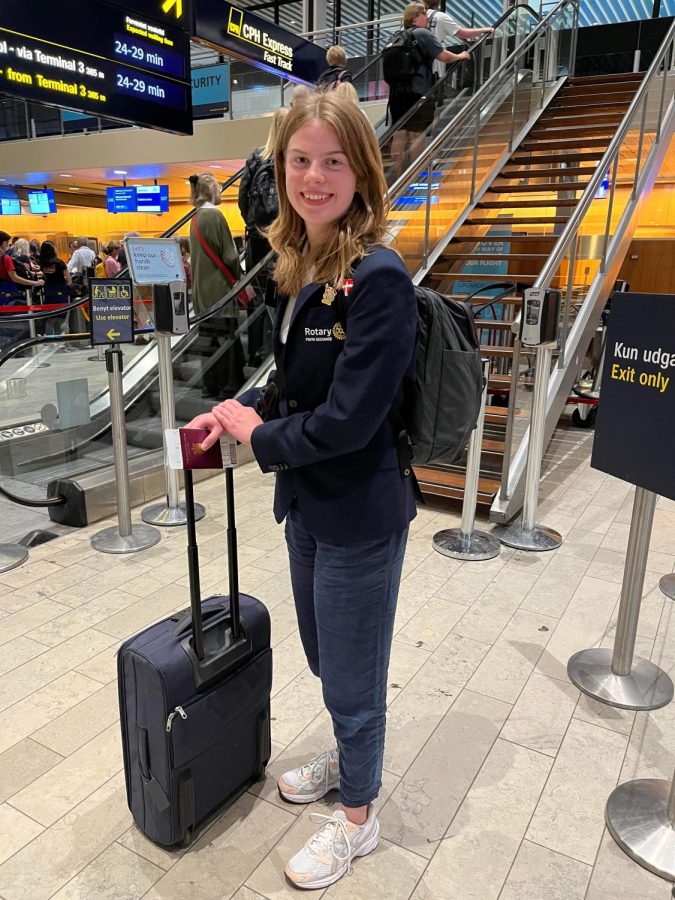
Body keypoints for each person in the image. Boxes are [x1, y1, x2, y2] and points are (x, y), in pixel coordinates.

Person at [188, 91, 418, 889]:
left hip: (359, 509)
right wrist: (241, 411)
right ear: (278, 168)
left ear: (361, 169)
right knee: (327, 660)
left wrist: (261, 439)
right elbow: (295, 391)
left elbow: (349, 422)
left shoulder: (378, 278)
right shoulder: (301, 267)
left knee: (354, 676)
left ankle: (359, 818)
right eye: (299, 160)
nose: (314, 178)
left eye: (332, 161)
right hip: (307, 509)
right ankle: (346, 753)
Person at [389, 3, 470, 167]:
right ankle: (414, 174)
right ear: (415, 17)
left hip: (396, 93)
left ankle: (395, 177)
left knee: (399, 134)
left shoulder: (397, 36)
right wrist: (460, 55)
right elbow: (444, 56)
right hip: (417, 91)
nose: (427, 18)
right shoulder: (422, 34)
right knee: (417, 134)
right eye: (424, 15)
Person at [238, 107, 288, 369]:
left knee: (257, 297)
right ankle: (280, 347)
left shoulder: (256, 156)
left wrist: (255, 226)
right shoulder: (292, 156)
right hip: (286, 239)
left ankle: (255, 353)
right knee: (285, 292)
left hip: (258, 242)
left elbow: (243, 200)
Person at [189, 172, 245, 398]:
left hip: (201, 293)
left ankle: (208, 385)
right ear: (211, 190)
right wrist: (240, 277)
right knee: (226, 341)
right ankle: (227, 385)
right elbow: (230, 256)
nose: (221, 193)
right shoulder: (216, 216)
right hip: (220, 291)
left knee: (208, 341)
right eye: (219, 189)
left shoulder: (194, 218)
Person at [425, 0, 494, 80]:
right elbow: (463, 33)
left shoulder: (419, 16)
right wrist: (485, 30)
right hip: (434, 67)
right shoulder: (440, 17)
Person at [38, 240, 72, 336]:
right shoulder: (59, 262)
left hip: (48, 292)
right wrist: (68, 286)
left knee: (50, 316)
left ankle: (49, 339)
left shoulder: (41, 263)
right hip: (61, 291)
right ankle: (62, 339)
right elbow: (68, 278)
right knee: (62, 317)